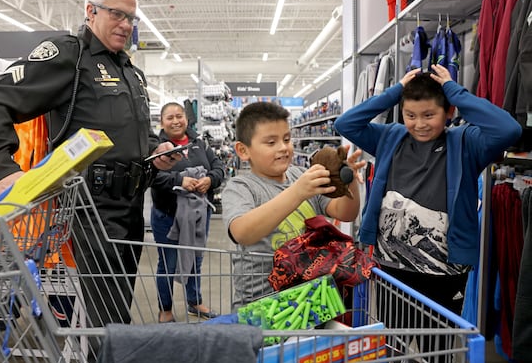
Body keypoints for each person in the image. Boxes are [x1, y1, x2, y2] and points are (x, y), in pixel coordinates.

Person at [0, 0, 180, 360]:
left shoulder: (131, 71)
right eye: (117, 14)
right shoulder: (69, 56)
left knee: (112, 319)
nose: (126, 25)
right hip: (89, 215)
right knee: (106, 328)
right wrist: (1, 171)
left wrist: (155, 149)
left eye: (132, 18)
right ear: (90, 11)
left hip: (131, 211)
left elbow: (134, 134)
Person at [334, 64, 522, 315]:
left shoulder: (466, 143)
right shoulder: (390, 137)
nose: (419, 124)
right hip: (391, 267)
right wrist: (396, 91)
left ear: (448, 112)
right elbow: (346, 123)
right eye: (410, 115)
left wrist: (453, 90)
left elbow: (509, 129)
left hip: (444, 273)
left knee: (438, 349)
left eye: (429, 115)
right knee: (394, 343)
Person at [222, 102, 365, 309]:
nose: (283, 147)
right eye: (271, 142)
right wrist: (297, 193)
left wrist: (348, 182)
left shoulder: (300, 175)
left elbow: (344, 213)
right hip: (263, 304)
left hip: (310, 298)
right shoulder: (241, 187)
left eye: (287, 139)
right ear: (243, 151)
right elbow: (242, 232)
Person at [150, 102, 225, 323]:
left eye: (179, 116)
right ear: (162, 122)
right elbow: (151, 176)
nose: (176, 121)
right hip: (168, 215)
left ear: (186, 118)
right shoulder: (157, 147)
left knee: (195, 259)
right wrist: (179, 180)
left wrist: (210, 180)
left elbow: (218, 167)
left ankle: (195, 301)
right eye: (170, 117)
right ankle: (165, 310)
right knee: (168, 263)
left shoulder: (199, 143)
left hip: (199, 215)